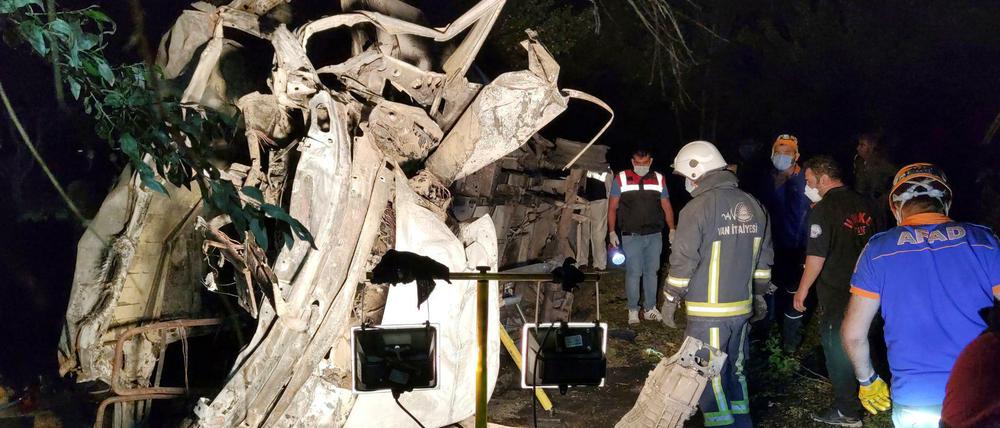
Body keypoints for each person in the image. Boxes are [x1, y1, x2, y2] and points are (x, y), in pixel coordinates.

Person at [841, 163, 1000, 427]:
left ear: (895, 207)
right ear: (945, 202)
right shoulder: (984, 240)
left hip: (916, 398)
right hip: (979, 394)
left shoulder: (878, 250)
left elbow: (853, 334)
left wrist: (867, 380)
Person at [663, 140, 773, 428]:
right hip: (742, 309)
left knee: (705, 375)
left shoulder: (697, 208)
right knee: (735, 370)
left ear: (696, 172)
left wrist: (670, 298)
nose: (686, 182)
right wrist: (760, 296)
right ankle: (742, 421)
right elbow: (764, 260)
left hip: (707, 314)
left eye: (686, 175)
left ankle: (721, 424)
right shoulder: (755, 204)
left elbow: (683, 260)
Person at [791, 156, 875, 427]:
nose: (807, 185)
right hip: (871, 290)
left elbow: (816, 256)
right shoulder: (866, 203)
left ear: (823, 179)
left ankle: (847, 410)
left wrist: (802, 290)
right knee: (866, 342)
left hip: (839, 292)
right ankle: (870, 392)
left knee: (837, 349)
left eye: (809, 180)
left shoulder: (824, 209)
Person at [608, 147, 676, 324]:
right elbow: (612, 207)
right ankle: (632, 310)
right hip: (631, 235)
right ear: (632, 162)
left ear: (650, 161)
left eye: (644, 163)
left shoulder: (659, 179)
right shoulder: (621, 178)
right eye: (637, 163)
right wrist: (612, 231)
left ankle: (650, 308)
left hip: (654, 235)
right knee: (633, 272)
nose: (641, 166)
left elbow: (666, 205)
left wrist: (672, 229)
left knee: (651, 273)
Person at [758, 134, 812, 352]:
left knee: (793, 295)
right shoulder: (767, 179)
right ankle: (765, 338)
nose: (782, 157)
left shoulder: (806, 181)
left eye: (787, 153)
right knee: (768, 291)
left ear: (796, 156)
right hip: (771, 247)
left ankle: (790, 342)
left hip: (798, 248)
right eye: (779, 153)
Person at [853, 132, 896, 230]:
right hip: (863, 204)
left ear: (871, 147)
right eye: (859, 144)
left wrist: (887, 196)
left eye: (862, 145)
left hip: (877, 205)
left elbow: (899, 176)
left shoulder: (881, 163)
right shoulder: (859, 161)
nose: (858, 148)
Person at [577, 167, 612, 271]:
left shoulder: (607, 170)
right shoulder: (587, 166)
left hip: (600, 202)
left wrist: (609, 205)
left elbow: (609, 189)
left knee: (598, 234)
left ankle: (599, 264)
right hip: (585, 201)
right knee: (584, 232)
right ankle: (582, 262)